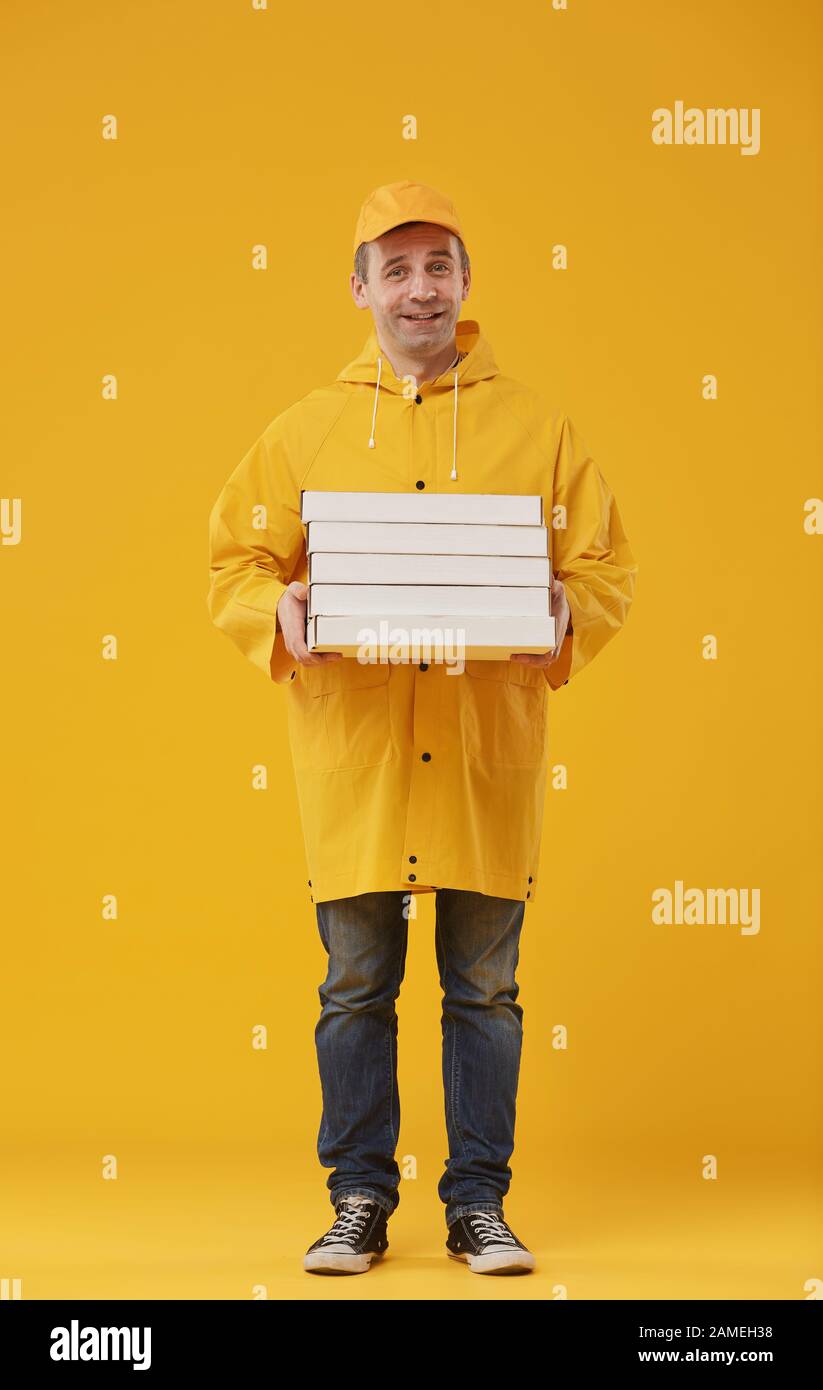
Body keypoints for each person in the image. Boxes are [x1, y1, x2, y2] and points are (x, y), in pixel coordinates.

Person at [207, 180, 638, 1276]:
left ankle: (477, 1205)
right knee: (355, 984)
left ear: (464, 282)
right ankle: (356, 1199)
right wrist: (279, 608)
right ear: (357, 289)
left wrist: (562, 612)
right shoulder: (304, 430)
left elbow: (602, 568)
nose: (418, 287)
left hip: (484, 751)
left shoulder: (537, 430)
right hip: (357, 758)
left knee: (483, 990)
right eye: (393, 268)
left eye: (437, 263)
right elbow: (237, 563)